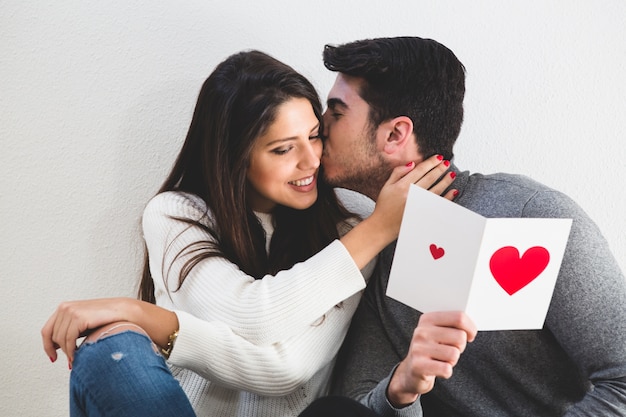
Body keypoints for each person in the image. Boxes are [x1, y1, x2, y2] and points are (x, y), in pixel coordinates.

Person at [41, 50, 455, 417]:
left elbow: (284, 370)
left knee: (123, 332)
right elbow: (255, 314)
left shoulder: (353, 229)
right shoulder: (176, 216)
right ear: (235, 157)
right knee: (112, 353)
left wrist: (146, 316)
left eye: (314, 136)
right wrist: (378, 229)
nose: (312, 160)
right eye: (282, 149)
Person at [320, 36, 626, 416]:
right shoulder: (379, 252)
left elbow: (623, 380)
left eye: (335, 112)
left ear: (395, 135)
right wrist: (401, 387)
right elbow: (357, 406)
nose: (318, 128)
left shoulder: (531, 215)